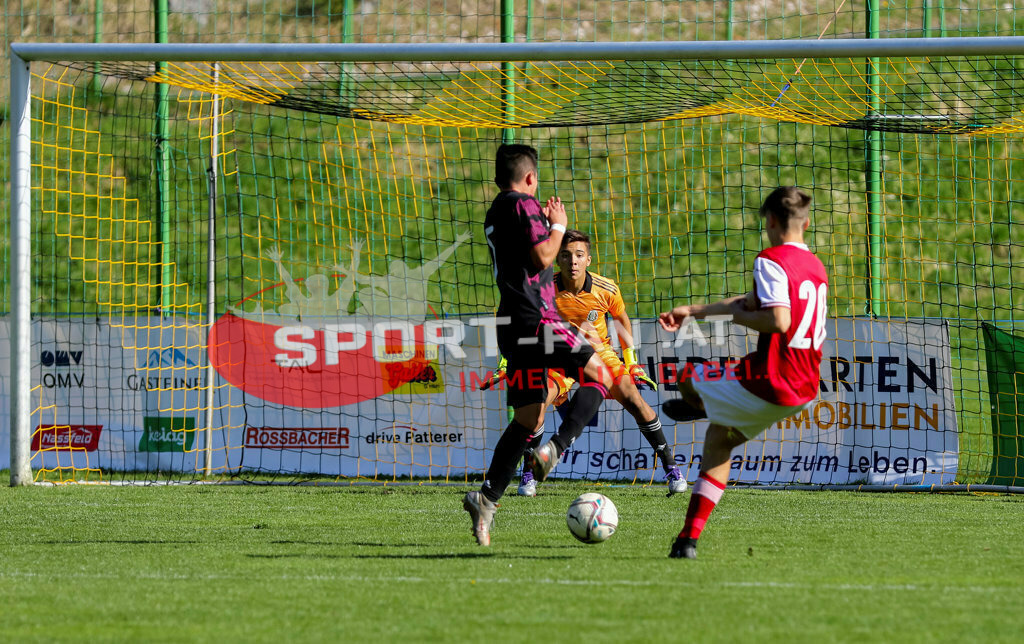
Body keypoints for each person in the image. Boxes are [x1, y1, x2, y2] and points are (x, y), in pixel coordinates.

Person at [658, 186, 828, 560]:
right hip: (802, 386)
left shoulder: (771, 259)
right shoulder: (815, 267)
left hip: (770, 379)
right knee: (719, 442)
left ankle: (702, 402)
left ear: (769, 221)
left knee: (686, 373)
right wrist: (696, 310)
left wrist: (735, 317)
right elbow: (752, 302)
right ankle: (687, 541)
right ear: (806, 222)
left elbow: (777, 319)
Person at [463, 143, 614, 546]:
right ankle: (556, 449)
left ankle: (486, 499)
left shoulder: (496, 210)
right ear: (530, 178)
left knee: (528, 418)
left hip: (511, 325)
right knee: (602, 373)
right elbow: (545, 256)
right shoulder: (521, 204)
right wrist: (559, 225)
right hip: (538, 319)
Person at [482, 229, 686, 497]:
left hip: (600, 354)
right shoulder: (544, 290)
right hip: (557, 358)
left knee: (634, 399)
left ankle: (672, 468)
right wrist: (506, 361)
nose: (573, 261)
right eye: (566, 255)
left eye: (579, 255)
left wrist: (631, 362)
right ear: (557, 259)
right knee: (536, 406)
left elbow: (622, 319)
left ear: (588, 260)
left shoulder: (607, 288)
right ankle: (530, 473)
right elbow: (515, 321)